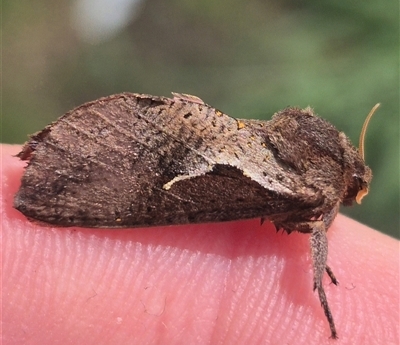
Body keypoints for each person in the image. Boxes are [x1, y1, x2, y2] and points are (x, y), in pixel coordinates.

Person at [2, 144, 398, 344]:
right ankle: (56, 183)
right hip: (192, 174)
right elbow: (316, 228)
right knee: (144, 195)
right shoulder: (313, 193)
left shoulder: (316, 171)